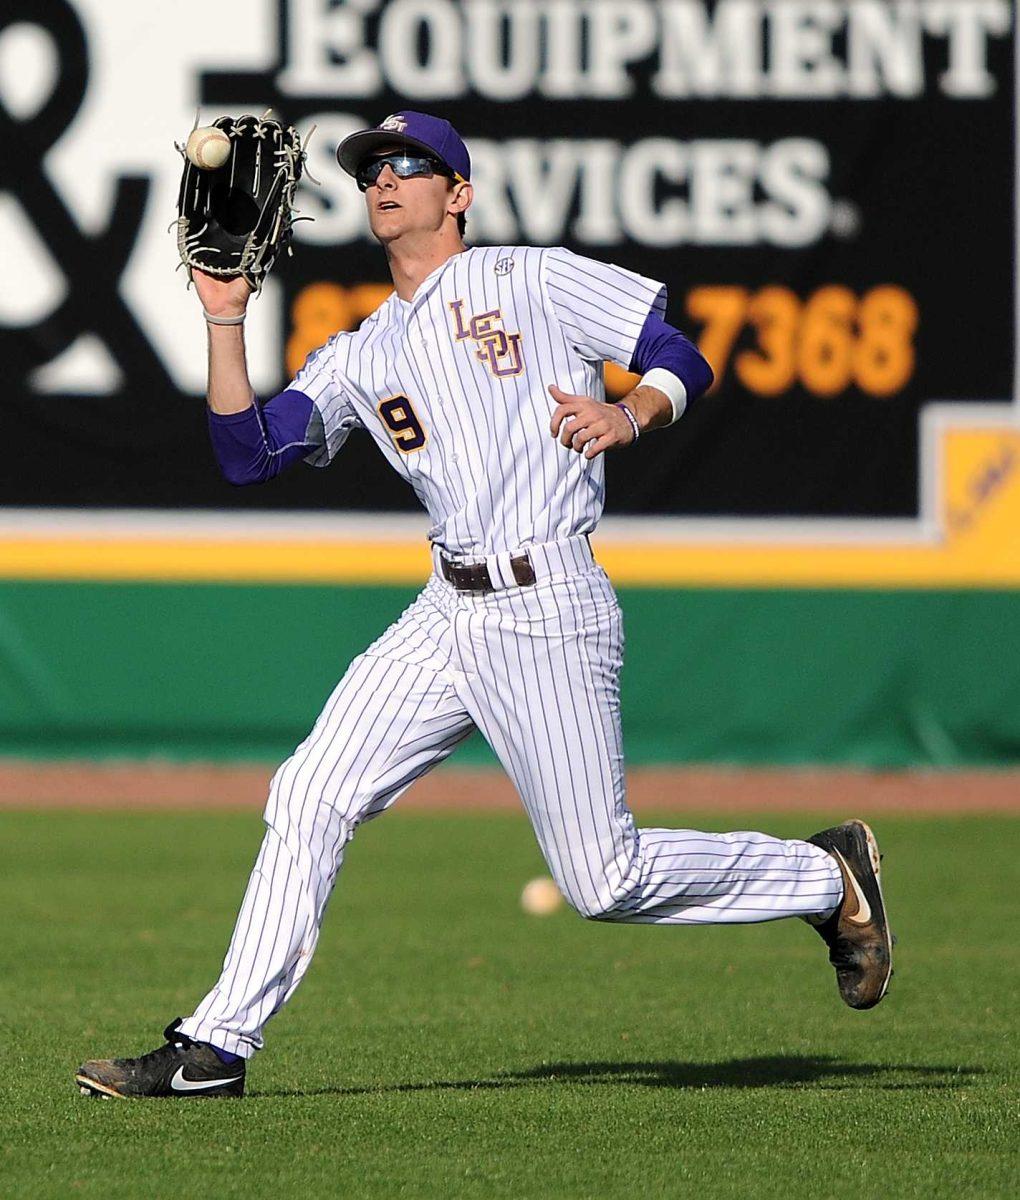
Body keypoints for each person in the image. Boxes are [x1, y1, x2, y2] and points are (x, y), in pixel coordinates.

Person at [76, 112, 892, 1100]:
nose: (384, 180)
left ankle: (824, 877)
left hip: (547, 600)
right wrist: (222, 313)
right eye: (371, 168)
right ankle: (216, 1048)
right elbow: (247, 455)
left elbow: (681, 350)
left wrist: (631, 411)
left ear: (457, 193)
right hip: (446, 607)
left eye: (408, 164)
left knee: (604, 882)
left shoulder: (534, 279)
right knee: (308, 793)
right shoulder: (361, 351)